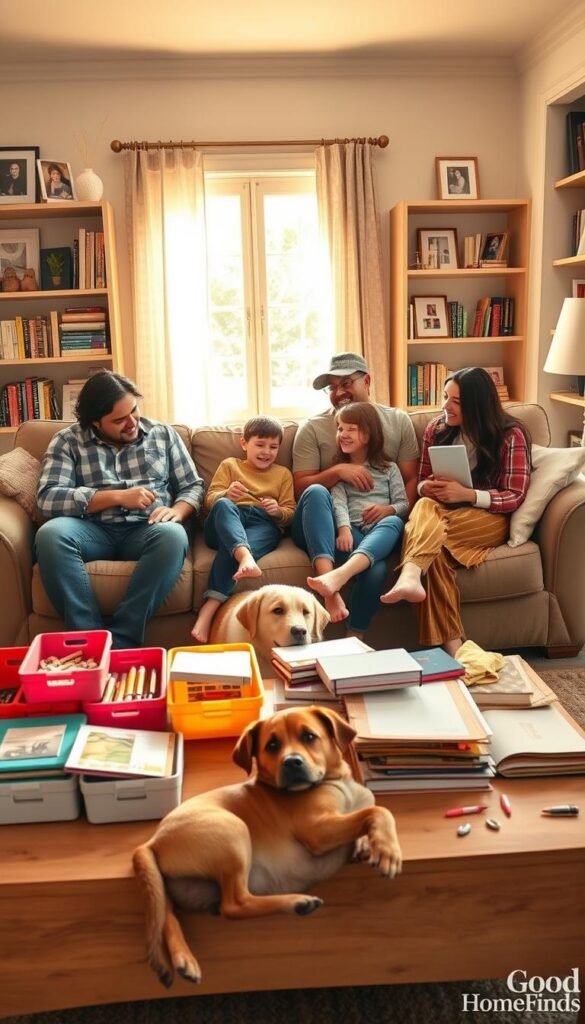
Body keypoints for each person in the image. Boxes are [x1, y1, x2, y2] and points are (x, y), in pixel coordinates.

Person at [35, 370, 204, 649]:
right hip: (91, 530)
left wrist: (179, 511)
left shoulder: (162, 435)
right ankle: (88, 642)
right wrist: (116, 497)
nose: (132, 423)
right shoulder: (68, 441)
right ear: (95, 422)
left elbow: (193, 486)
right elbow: (48, 497)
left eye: (134, 411)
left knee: (174, 536)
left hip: (147, 529)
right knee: (50, 534)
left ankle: (122, 643)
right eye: (119, 420)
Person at [381, 366, 531, 656]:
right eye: (444, 397)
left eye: (456, 401)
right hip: (440, 511)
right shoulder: (436, 429)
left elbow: (515, 495)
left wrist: (468, 494)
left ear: (477, 404)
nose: (445, 406)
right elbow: (422, 481)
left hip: (489, 517)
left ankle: (411, 572)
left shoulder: (511, 436)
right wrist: (430, 488)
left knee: (427, 526)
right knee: (428, 521)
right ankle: (456, 652)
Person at [291, 352, 419, 623]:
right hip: (325, 524)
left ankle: (354, 636)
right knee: (317, 491)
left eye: (346, 383)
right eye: (332, 387)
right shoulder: (312, 428)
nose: (339, 392)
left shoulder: (397, 421)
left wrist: (392, 515)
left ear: (367, 381)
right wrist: (338, 471)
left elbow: (410, 479)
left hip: (374, 528)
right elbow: (300, 489)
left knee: (376, 570)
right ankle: (328, 586)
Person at [191, 415, 296, 643]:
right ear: (244, 443)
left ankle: (208, 610)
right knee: (223, 504)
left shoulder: (283, 474)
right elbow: (210, 500)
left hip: (263, 523)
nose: (266, 451)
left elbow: (290, 513)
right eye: (260, 444)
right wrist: (226, 494)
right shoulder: (230, 465)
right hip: (225, 521)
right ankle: (245, 555)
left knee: (243, 545)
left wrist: (277, 511)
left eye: (273, 447)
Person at [306, 402, 407, 636]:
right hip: (353, 531)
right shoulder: (340, 470)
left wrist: (388, 509)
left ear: (369, 433)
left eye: (351, 428)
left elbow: (403, 504)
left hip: (380, 530)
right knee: (377, 570)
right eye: (340, 429)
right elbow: (338, 502)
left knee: (395, 522)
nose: (343, 434)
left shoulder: (389, 468)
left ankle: (341, 578)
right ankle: (355, 635)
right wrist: (343, 529)